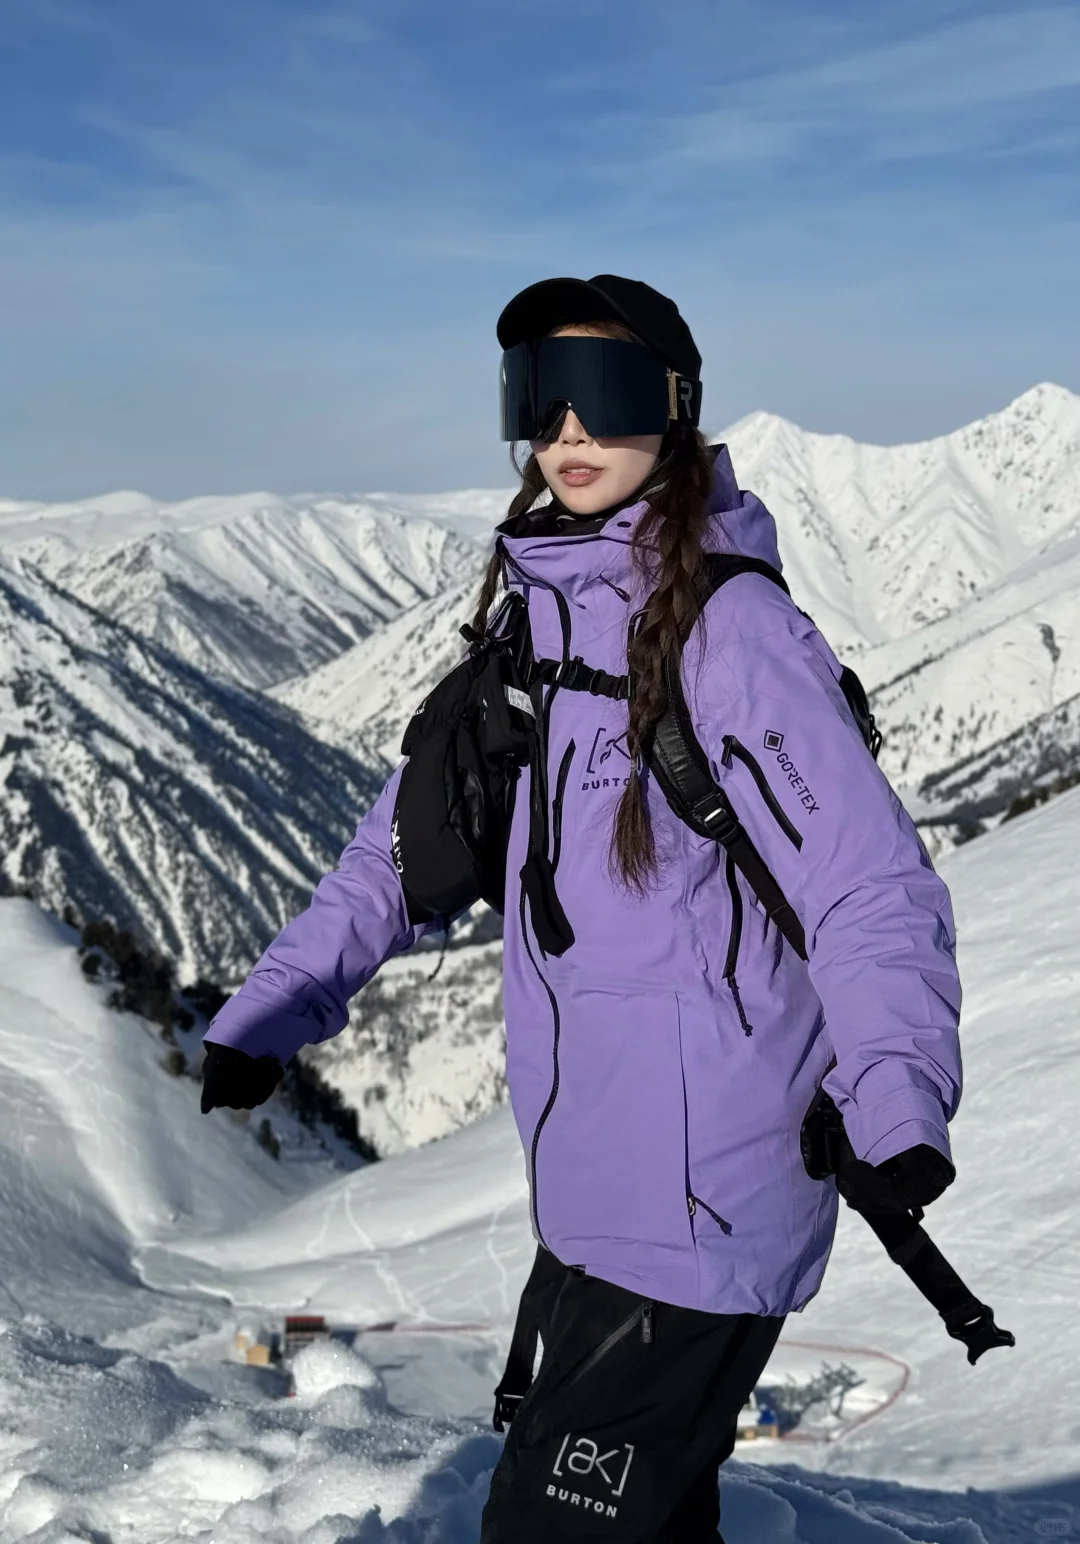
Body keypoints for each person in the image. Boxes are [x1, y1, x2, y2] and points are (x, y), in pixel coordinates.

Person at [201, 275, 962, 1543]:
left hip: (706, 1203)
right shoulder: (536, 629)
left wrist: (898, 1090)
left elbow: (866, 881)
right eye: (538, 395)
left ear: (676, 406)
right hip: (600, 1198)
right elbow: (401, 849)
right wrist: (275, 1007)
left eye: (603, 393)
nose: (567, 430)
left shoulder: (734, 636)